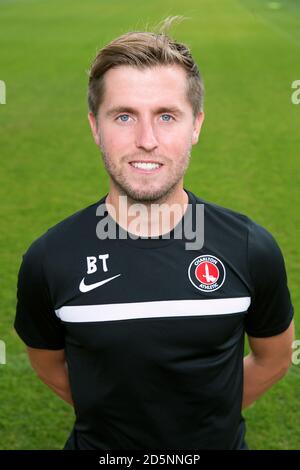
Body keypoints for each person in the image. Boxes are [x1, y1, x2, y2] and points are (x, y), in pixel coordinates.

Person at [14, 16, 294, 450]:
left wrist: (202, 424)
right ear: (95, 127)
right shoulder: (50, 258)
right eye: (124, 116)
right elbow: (48, 363)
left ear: (196, 125)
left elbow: (273, 358)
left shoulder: (249, 248)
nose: (147, 139)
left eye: (166, 116)